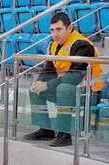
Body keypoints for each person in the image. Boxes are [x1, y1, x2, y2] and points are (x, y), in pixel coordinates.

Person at [24, 12, 104, 148]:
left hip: (89, 92)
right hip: (67, 89)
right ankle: (46, 130)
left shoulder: (82, 45)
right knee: (34, 88)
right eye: (52, 30)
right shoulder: (53, 45)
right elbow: (49, 70)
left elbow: (75, 77)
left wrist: (47, 85)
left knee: (64, 89)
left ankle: (64, 134)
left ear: (69, 28)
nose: (54, 34)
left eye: (59, 29)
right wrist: (39, 83)